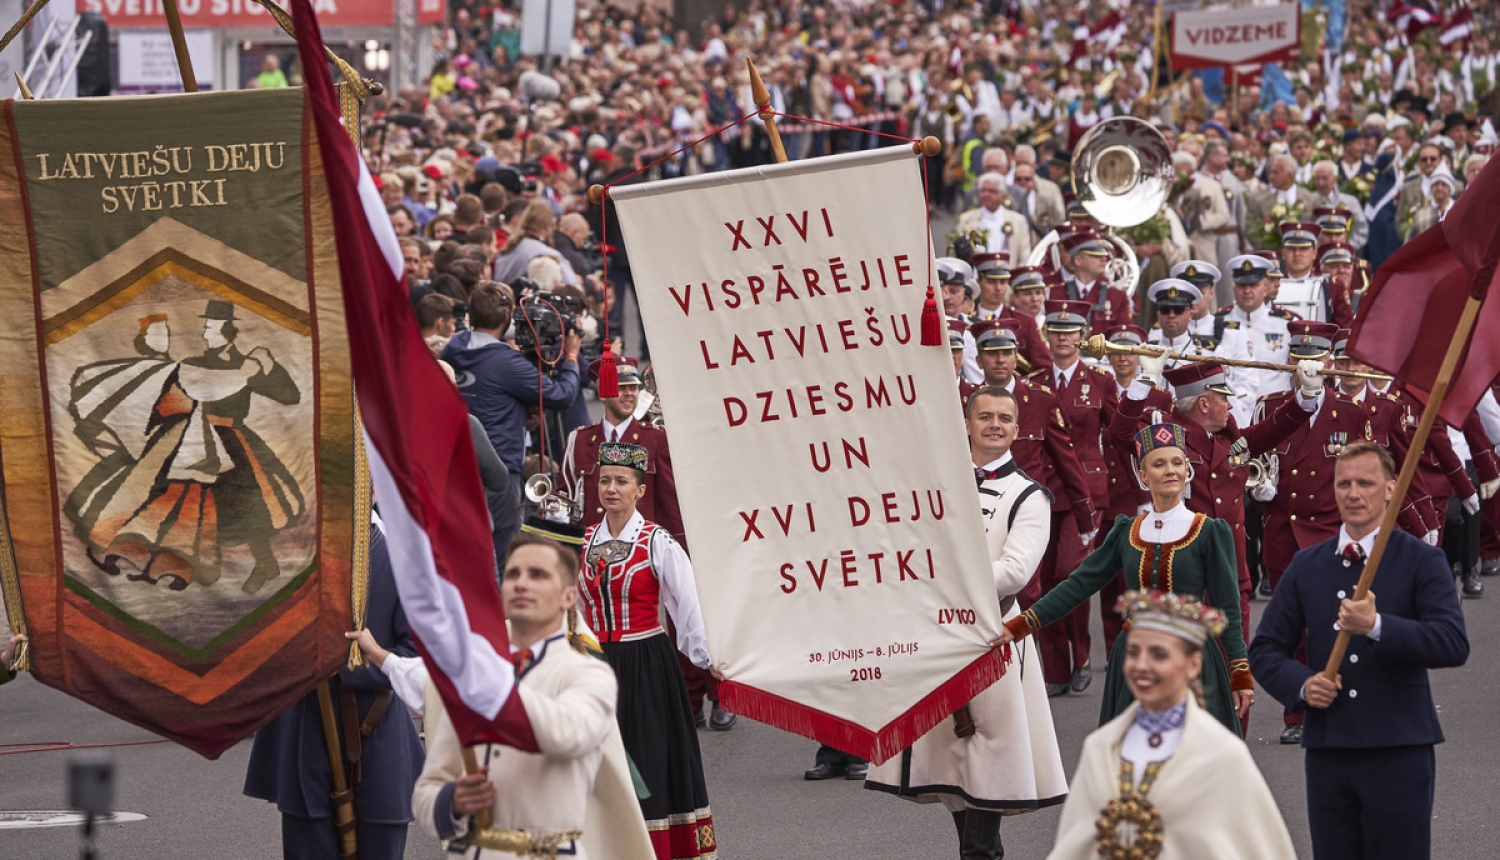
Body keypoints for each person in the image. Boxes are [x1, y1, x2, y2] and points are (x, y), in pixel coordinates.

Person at [868, 386, 1067, 860]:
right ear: (966, 424)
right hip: (936, 637)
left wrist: (944, 579)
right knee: (951, 762)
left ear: (1017, 431)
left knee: (991, 759)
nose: (994, 424)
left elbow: (1016, 571)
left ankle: (982, 852)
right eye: (984, 416)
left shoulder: (1030, 496)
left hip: (993, 639)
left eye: (1004, 418)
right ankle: (981, 851)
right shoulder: (933, 486)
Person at [1250, 442, 1470, 860]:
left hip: (1399, 747)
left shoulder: (1423, 560)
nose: (1353, 493)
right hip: (1329, 749)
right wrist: (1302, 685)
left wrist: (1377, 626)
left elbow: (1452, 642)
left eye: (1365, 483)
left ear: (1391, 488)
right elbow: (1266, 648)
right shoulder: (1307, 565)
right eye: (1344, 483)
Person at [411, 532, 655, 860]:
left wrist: (491, 684)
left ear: (568, 597)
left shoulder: (588, 674)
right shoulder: (478, 672)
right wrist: (452, 801)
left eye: (537, 575)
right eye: (513, 574)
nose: (521, 583)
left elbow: (566, 734)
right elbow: (427, 791)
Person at [1001, 422, 1253, 734]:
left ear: (1188, 470)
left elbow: (1227, 606)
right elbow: (1079, 585)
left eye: (1177, 463)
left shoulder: (1209, 531)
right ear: (1143, 476)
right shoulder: (1127, 531)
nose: (1170, 471)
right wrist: (1022, 624)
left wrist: (1239, 670)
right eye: (1159, 464)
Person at [1044, 590, 1297, 860]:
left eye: (1159, 655)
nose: (1142, 665)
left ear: (1193, 664)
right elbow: (1076, 842)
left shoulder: (1222, 754)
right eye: (1133, 652)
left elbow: (1256, 847)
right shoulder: (1100, 747)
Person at [244, 514, 425, 860]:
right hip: (305, 733)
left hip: (379, 733)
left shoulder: (403, 556)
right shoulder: (288, 550)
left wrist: (350, 659)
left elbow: (417, 658)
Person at [580, 442, 715, 859]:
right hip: (593, 666)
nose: (611, 489)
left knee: (646, 761)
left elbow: (688, 608)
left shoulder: (658, 543)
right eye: (605, 480)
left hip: (645, 665)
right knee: (591, 764)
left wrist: (710, 660)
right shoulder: (581, 541)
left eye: (622, 481)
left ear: (640, 490)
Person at [442, 282, 582, 570]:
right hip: (499, 474)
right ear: (507, 316)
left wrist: (517, 410)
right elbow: (561, 396)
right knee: (502, 556)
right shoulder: (507, 363)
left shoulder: (452, 349)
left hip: (453, 469)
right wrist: (570, 357)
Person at [1028, 300, 1113, 696]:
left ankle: (1081, 653)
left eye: (1071, 331)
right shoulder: (1034, 381)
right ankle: (1056, 671)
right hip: (1042, 488)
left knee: (1069, 574)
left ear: (1083, 336)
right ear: (1047, 335)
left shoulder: (1099, 381)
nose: (1063, 338)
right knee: (1041, 580)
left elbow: (1121, 431)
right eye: (1056, 331)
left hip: (1085, 492)